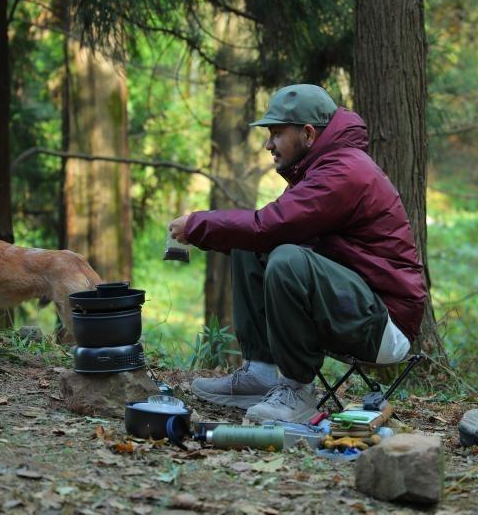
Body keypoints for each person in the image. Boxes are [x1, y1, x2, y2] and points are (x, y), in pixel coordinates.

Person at [168, 84, 427, 423]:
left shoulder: (343, 172)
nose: (268, 144)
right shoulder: (324, 167)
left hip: (383, 323)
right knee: (253, 246)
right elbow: (265, 231)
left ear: (307, 133)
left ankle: (297, 391)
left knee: (285, 256)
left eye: (276, 133)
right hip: (354, 307)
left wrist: (197, 225)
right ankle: (260, 375)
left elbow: (271, 225)